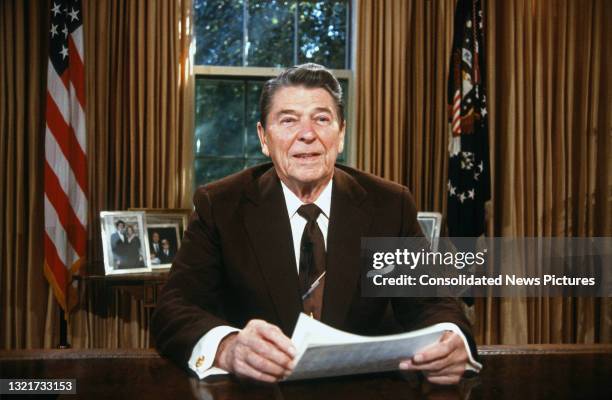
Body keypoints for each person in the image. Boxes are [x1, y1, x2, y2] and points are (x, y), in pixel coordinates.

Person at [152, 63, 480, 385]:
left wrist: (451, 340)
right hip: (258, 393)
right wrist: (228, 348)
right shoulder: (220, 205)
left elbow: (434, 302)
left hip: (361, 392)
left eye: (321, 119)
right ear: (264, 138)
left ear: (341, 134)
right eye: (288, 120)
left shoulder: (389, 205)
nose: (307, 134)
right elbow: (174, 307)